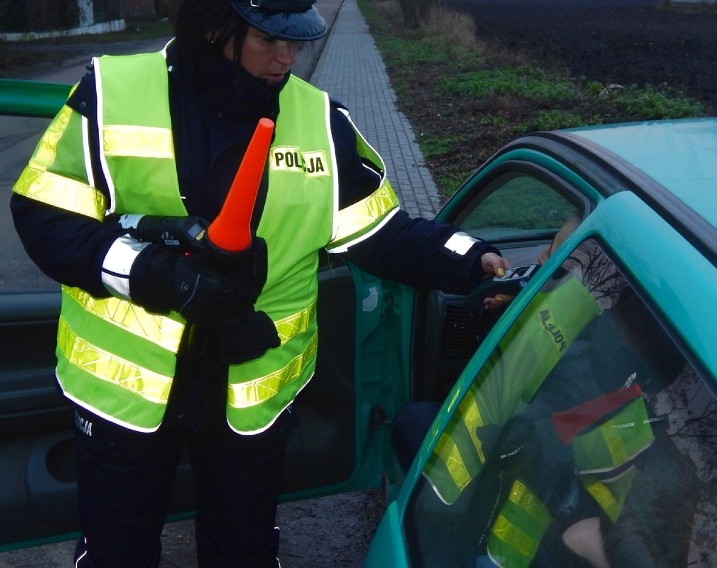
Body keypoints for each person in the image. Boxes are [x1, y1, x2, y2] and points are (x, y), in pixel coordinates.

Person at [8, 1, 507, 566]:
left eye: (296, 42)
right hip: (126, 389)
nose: (286, 57)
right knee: (116, 551)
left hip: (247, 386)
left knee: (243, 549)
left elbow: (383, 234)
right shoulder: (111, 92)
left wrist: (474, 259)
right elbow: (44, 214)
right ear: (215, 26)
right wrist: (152, 274)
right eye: (269, 39)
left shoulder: (320, 121)